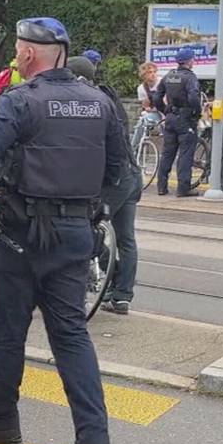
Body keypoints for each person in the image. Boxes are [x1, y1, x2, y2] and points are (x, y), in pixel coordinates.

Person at [0, 17, 123, 444]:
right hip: (75, 236)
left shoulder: (20, 102)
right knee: (71, 337)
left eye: (17, 50)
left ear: (28, 55)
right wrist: (93, 210)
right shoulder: (100, 102)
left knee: (7, 332)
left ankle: (0, 422)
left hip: (19, 236)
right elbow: (122, 173)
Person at [67, 56, 142, 315]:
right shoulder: (109, 97)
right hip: (132, 174)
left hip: (115, 178)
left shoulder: (88, 102)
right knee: (126, 238)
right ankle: (122, 296)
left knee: (86, 226)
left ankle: (104, 280)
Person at [154, 48, 202, 198]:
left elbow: (157, 96)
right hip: (185, 119)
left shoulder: (169, 76)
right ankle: (183, 188)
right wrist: (197, 113)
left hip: (170, 119)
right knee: (185, 154)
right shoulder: (190, 78)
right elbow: (194, 97)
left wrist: (165, 110)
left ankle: (162, 187)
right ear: (188, 61)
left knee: (167, 153)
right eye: (192, 59)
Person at [131, 61, 163, 148]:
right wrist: (148, 108)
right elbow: (145, 105)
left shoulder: (162, 83)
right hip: (155, 113)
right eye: (149, 72)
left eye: (154, 72)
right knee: (142, 121)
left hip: (166, 112)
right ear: (144, 75)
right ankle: (133, 148)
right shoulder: (141, 88)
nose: (153, 74)